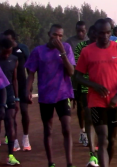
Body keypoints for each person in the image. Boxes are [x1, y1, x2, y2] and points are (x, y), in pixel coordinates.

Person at [75, 19, 117, 167]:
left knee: (111, 141)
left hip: (115, 101)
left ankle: (104, 163)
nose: (105, 35)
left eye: (108, 32)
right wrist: (94, 85)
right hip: (96, 100)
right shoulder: (87, 51)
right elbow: (78, 76)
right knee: (103, 139)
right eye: (102, 33)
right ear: (95, 33)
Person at [25, 24, 75, 167]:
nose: (58, 38)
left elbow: (71, 72)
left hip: (63, 93)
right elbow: (31, 73)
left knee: (66, 127)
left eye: (60, 36)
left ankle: (69, 163)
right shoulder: (38, 51)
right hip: (46, 95)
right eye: (55, 35)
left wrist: (62, 52)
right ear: (49, 34)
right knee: (48, 129)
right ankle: (51, 162)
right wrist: (27, 91)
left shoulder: (66, 48)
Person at [0, 30, 31, 151]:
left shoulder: (20, 52)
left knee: (19, 114)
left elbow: (26, 70)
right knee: (0, 119)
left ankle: (22, 140)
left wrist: (29, 88)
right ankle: (6, 141)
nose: (7, 54)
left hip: (17, 88)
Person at [0, 38, 20, 165]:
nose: (7, 55)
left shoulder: (14, 60)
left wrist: (17, 98)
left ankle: (10, 155)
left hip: (10, 94)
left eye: (9, 52)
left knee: (10, 122)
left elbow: (14, 79)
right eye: (5, 52)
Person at [73, 26, 99, 167]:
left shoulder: (106, 47)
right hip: (86, 87)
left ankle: (101, 146)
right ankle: (92, 153)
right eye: (94, 34)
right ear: (89, 34)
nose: (96, 36)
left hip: (103, 88)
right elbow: (79, 68)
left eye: (99, 33)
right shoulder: (82, 47)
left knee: (101, 119)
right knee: (89, 117)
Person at [66, 21, 89, 146]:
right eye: (78, 31)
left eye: (82, 30)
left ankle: (89, 130)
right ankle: (82, 131)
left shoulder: (90, 41)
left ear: (85, 30)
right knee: (80, 105)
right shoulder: (70, 42)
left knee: (88, 106)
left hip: (88, 77)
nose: (80, 33)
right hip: (75, 77)